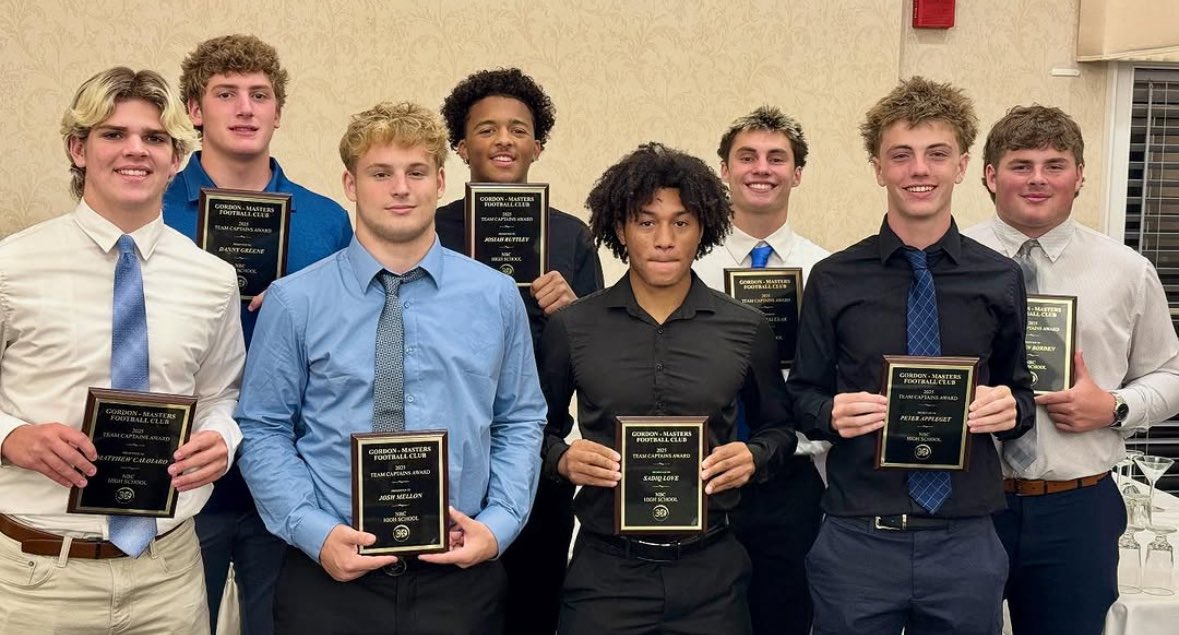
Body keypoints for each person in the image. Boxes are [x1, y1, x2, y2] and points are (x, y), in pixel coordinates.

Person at [235, 101, 546, 635]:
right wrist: (314, 532)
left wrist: (499, 526)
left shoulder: (494, 296)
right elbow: (262, 427)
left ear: (441, 181)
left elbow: (520, 419)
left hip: (460, 575)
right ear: (350, 184)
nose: (400, 188)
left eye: (416, 172)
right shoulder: (294, 301)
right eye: (381, 173)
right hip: (327, 577)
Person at [786, 76, 1035, 635]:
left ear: (964, 165)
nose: (918, 170)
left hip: (965, 542)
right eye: (901, 155)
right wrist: (829, 414)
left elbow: (1023, 398)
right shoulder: (833, 279)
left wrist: (1009, 408)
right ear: (878, 168)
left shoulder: (1000, 278)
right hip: (857, 538)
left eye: (936, 154)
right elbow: (801, 394)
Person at [0, 66, 244, 634]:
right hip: (39, 577)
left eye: (155, 138)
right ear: (78, 148)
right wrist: (11, 437)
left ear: (178, 157)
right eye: (114, 134)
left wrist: (221, 439)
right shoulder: (12, 266)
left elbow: (222, 393)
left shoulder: (212, 277)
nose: (136, 150)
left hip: (168, 574)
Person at [541, 142, 796, 635]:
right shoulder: (572, 328)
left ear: (703, 230)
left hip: (713, 572)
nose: (663, 239)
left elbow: (780, 429)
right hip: (605, 573)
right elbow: (533, 431)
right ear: (620, 228)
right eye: (646, 221)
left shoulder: (746, 327)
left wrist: (755, 456)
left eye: (680, 223)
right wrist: (561, 459)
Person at [162, 34, 353, 634]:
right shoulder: (152, 207)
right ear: (195, 111)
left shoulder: (326, 220)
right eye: (226, 94)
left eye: (259, 95)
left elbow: (359, 332)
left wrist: (306, 310)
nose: (245, 108)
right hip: (179, 475)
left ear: (277, 112)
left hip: (297, 476)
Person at [963, 104, 1179, 635]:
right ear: (991, 175)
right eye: (1021, 164)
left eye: (1055, 164)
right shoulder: (948, 262)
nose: (1038, 179)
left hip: (1076, 508)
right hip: (965, 505)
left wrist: (1116, 407)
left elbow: (1170, 375)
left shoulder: (1127, 270)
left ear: (1079, 176)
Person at [436, 66, 604, 635]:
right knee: (453, 606)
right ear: (461, 146)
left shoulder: (571, 235)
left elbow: (602, 354)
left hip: (540, 450)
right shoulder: (429, 230)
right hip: (447, 451)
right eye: (486, 129)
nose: (503, 140)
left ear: (538, 144)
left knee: (535, 604)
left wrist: (574, 311)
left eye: (517, 129)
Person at [692, 105, 827, 635]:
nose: (761, 168)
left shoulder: (827, 271)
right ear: (724, 170)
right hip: (704, 475)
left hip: (794, 477)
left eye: (777, 158)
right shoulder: (689, 268)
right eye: (746, 157)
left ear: (797, 173)